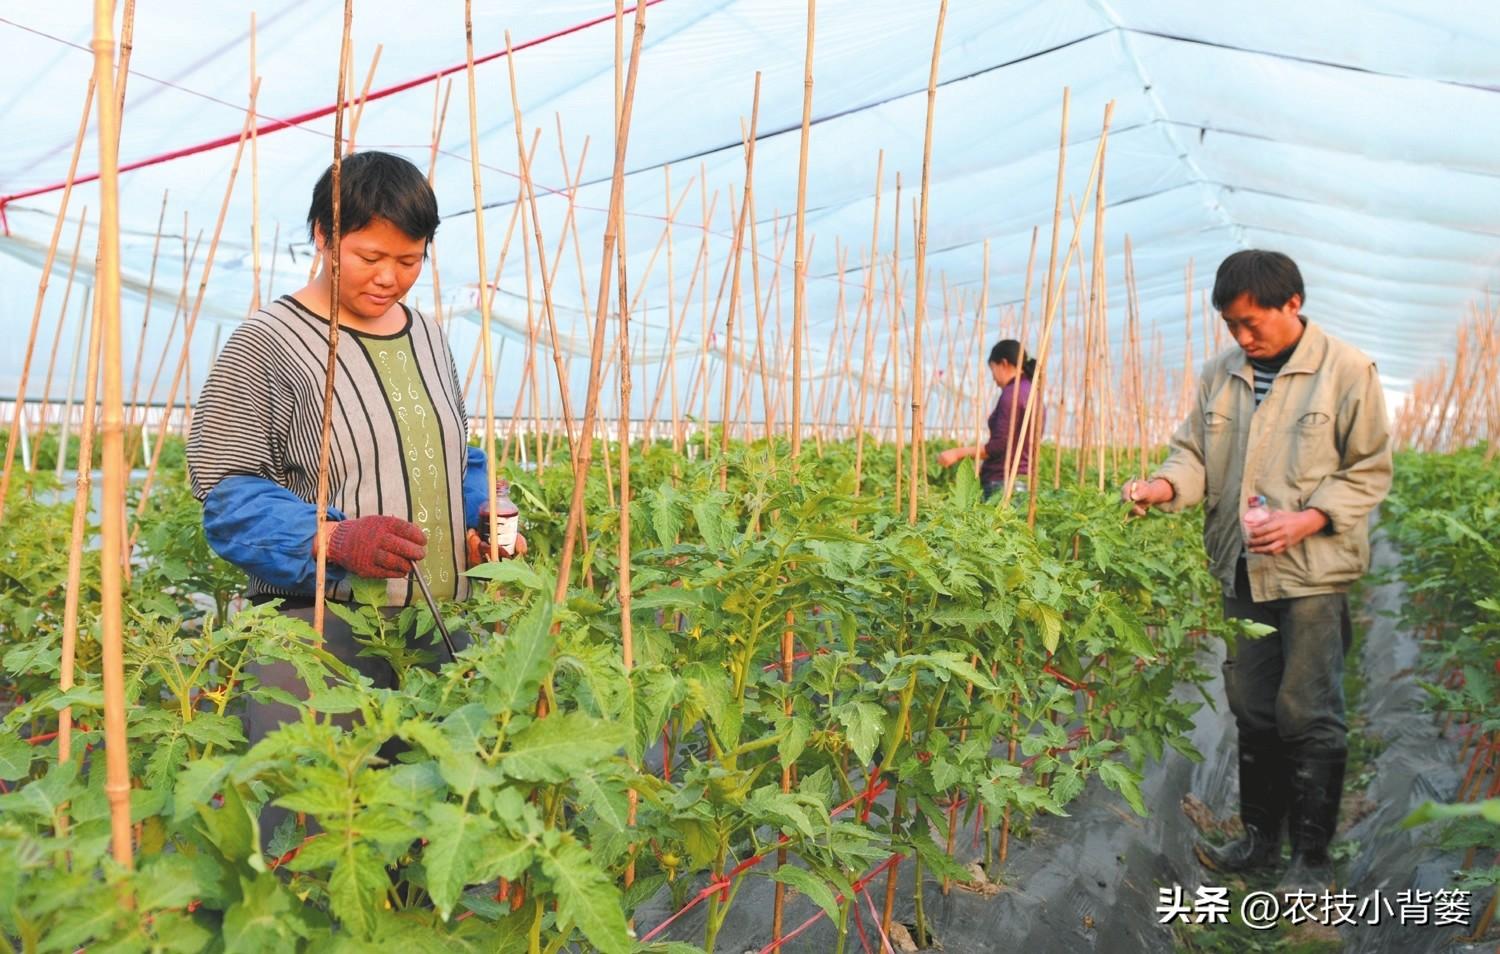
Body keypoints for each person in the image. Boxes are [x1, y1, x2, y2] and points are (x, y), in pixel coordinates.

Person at [186, 151, 525, 756]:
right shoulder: (266, 343)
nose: (389, 277)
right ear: (323, 235)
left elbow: (453, 454)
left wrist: (479, 517)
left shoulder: (427, 337)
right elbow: (227, 494)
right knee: (317, 825)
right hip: (321, 637)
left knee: (435, 825)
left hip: (441, 631)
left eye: (408, 260)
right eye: (371, 257)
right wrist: (336, 540)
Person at [1122, 250, 1391, 893]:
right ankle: (1259, 840)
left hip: (1312, 575)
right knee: (1251, 705)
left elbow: (1370, 471)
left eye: (1251, 323)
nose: (1242, 338)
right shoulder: (1221, 374)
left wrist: (1308, 519)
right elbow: (1193, 453)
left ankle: (1311, 859)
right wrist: (1164, 486)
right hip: (1241, 568)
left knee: (1308, 709)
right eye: (1231, 326)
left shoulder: (1347, 371)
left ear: (1291, 304)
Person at [936, 339, 1040, 500]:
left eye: (992, 369)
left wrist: (958, 453)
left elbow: (999, 445)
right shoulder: (1033, 392)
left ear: (1004, 363)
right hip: (1022, 481)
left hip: (1002, 482)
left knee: (994, 524)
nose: (993, 378)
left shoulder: (1012, 394)